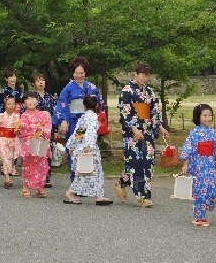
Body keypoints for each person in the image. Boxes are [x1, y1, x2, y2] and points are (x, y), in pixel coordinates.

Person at [115, 62, 169, 207]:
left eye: (147, 76)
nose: (145, 78)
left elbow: (155, 111)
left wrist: (161, 127)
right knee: (136, 162)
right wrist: (134, 129)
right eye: (142, 75)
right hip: (132, 132)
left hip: (148, 130)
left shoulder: (150, 92)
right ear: (136, 74)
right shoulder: (127, 91)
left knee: (148, 162)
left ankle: (122, 183)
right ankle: (143, 196)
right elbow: (125, 112)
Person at [180, 103, 216, 227]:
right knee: (200, 190)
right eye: (205, 115)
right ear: (198, 117)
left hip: (209, 163)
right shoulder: (194, 133)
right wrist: (185, 163)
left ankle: (208, 204)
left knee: (212, 187)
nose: (208, 118)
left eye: (210, 115)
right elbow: (189, 148)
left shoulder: (213, 133)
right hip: (198, 164)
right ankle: (199, 217)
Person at [53, 57, 103, 182]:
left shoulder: (91, 87)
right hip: (78, 123)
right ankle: (75, 180)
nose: (79, 75)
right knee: (76, 149)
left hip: (90, 123)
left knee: (89, 148)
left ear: (85, 73)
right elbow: (62, 104)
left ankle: (87, 180)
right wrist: (64, 120)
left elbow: (99, 104)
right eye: (76, 73)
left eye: (81, 73)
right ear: (72, 73)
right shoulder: (68, 88)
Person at [63, 95, 113, 206]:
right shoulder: (93, 117)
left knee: (91, 172)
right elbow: (90, 132)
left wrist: (71, 146)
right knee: (86, 172)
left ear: (84, 106)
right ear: (96, 106)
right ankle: (71, 193)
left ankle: (99, 195)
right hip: (89, 148)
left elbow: (78, 134)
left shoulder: (83, 117)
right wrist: (88, 145)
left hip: (81, 147)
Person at [19, 92, 52, 198]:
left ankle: (40, 187)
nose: (31, 101)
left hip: (41, 141)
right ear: (24, 103)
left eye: (33, 98)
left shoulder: (42, 115)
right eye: (28, 99)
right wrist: (34, 129)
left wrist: (42, 131)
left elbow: (47, 126)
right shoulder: (24, 116)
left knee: (42, 165)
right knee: (28, 165)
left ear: (37, 101)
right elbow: (23, 128)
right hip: (29, 141)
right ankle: (26, 187)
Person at [0, 96, 21, 189]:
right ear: (5, 105)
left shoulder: (17, 117)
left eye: (13, 104)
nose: (11, 106)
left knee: (10, 159)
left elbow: (19, 129)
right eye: (9, 104)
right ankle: (7, 178)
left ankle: (7, 176)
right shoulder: (1, 116)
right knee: (5, 158)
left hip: (12, 140)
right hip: (3, 139)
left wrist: (18, 131)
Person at [32, 73, 57, 188]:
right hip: (35, 127)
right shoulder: (31, 97)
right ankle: (36, 176)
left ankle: (47, 177)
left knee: (47, 152)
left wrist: (55, 129)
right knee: (36, 152)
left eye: (42, 80)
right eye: (38, 81)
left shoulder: (50, 97)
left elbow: (55, 114)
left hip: (48, 127)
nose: (41, 83)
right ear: (34, 83)